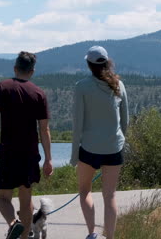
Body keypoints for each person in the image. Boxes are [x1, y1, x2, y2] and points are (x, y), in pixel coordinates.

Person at [0, 51, 53, 239]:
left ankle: (14, 223)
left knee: (3, 198)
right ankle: (24, 236)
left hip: (8, 152)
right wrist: (48, 159)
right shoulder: (39, 93)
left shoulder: (1, 88)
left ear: (15, 68)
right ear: (32, 71)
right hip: (30, 154)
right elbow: (44, 130)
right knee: (26, 199)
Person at [71, 46, 129, 239]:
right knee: (110, 196)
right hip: (114, 148)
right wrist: (120, 143)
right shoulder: (118, 85)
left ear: (88, 64)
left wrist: (73, 156)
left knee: (84, 190)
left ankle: (91, 233)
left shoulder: (82, 86)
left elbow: (77, 123)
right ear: (107, 62)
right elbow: (125, 121)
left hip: (88, 149)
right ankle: (110, 237)